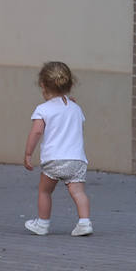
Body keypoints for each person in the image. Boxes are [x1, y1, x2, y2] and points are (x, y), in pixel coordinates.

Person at [22, 61, 93, 236]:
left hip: (54, 160)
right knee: (78, 192)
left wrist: (28, 153)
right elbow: (78, 127)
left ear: (43, 85)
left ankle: (43, 224)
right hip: (77, 160)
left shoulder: (43, 109)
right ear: (69, 84)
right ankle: (85, 222)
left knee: (45, 191)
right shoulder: (76, 108)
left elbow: (37, 131)